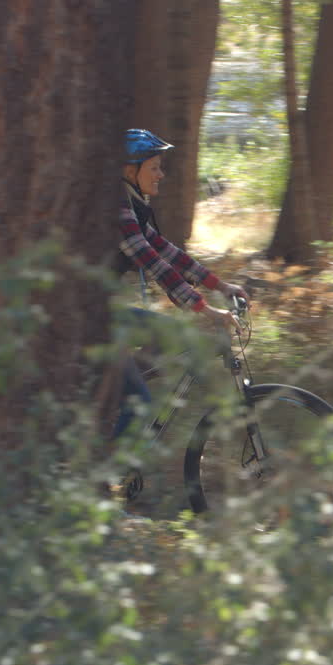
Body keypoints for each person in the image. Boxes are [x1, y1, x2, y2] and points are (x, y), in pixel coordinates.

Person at [112, 129, 249, 440]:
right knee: (140, 402)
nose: (162, 174)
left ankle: (112, 389)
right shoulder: (118, 210)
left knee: (174, 335)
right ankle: (103, 479)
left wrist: (221, 285)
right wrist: (206, 310)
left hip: (106, 311)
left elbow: (167, 251)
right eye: (154, 167)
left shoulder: (133, 206)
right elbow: (151, 261)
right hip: (91, 317)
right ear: (130, 171)